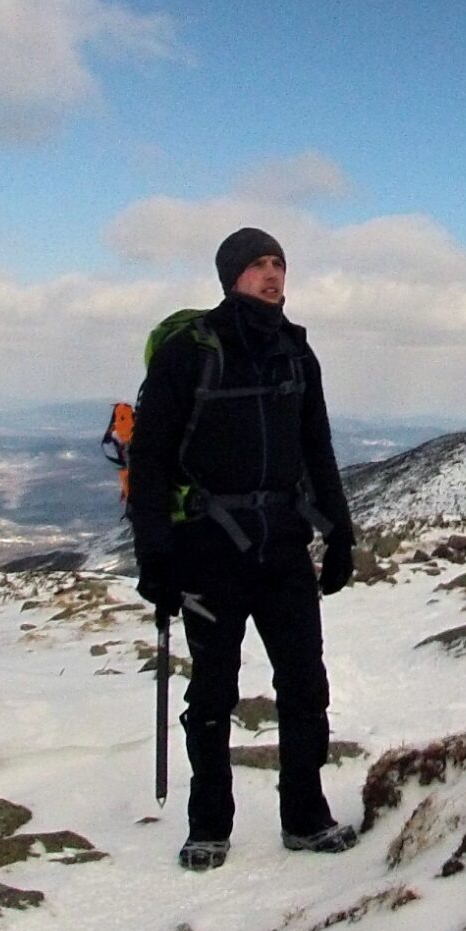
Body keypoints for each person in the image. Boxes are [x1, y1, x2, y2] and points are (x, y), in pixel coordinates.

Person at [128, 226, 357, 871]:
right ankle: (208, 826)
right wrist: (156, 556)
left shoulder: (296, 352)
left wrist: (340, 532)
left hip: (282, 545)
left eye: (279, 263)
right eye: (258, 264)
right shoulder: (189, 352)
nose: (272, 274)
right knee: (212, 695)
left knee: (305, 686)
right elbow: (148, 460)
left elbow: (318, 448)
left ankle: (307, 817)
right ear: (231, 276)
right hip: (207, 548)